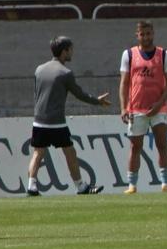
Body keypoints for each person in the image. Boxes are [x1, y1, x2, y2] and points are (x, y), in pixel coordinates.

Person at [28, 36, 111, 196]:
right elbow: (79, 94)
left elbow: (37, 93)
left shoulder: (39, 69)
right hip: (56, 123)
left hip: (39, 121)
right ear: (64, 51)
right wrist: (97, 101)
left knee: (38, 153)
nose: (72, 52)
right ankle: (80, 186)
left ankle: (31, 186)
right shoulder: (65, 73)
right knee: (70, 152)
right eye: (70, 50)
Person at [118, 20, 167, 193]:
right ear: (137, 35)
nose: (146, 37)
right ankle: (132, 185)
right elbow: (124, 83)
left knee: (161, 144)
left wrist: (159, 103)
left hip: (159, 109)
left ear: (153, 34)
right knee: (135, 147)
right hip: (136, 109)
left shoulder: (164, 54)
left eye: (149, 33)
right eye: (143, 34)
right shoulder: (128, 54)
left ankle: (165, 183)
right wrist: (123, 108)